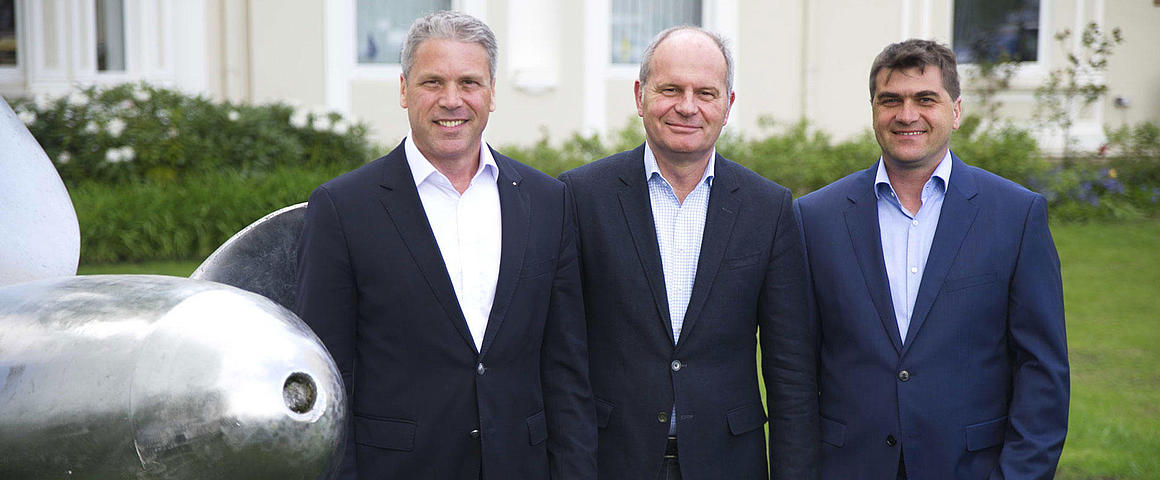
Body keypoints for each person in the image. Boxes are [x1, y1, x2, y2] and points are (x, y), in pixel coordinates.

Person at [294, 11, 596, 480]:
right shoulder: (343, 208)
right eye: (432, 82)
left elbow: (565, 369)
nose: (451, 100)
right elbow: (329, 379)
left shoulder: (547, 201)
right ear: (403, 89)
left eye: (469, 83)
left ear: (492, 92)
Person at [794, 39, 1069, 479]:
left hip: (971, 467)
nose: (907, 115)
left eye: (926, 99)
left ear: (955, 111)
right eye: (891, 101)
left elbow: (1042, 370)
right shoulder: (814, 219)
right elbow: (797, 370)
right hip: (850, 466)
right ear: (873, 111)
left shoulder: (1016, 216)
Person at [560, 26, 819, 480]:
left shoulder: (768, 208)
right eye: (670, 89)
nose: (687, 106)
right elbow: (562, 357)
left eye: (705, 92)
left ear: (728, 105)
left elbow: (790, 369)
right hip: (611, 458)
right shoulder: (580, 197)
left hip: (728, 462)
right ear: (640, 95)